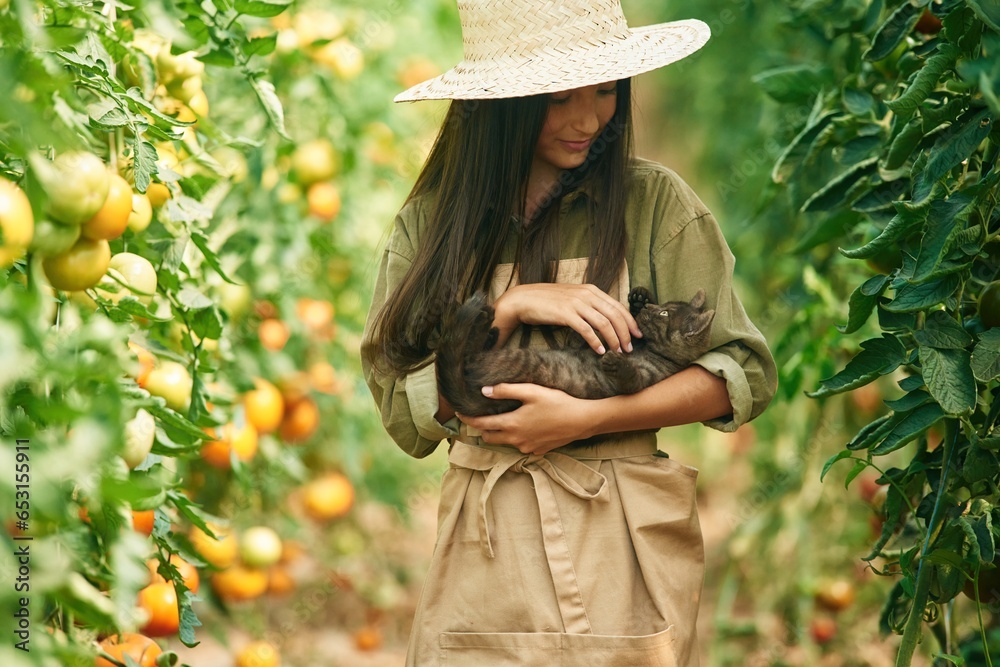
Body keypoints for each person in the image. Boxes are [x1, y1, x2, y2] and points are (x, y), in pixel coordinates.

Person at [361, 1, 777, 665]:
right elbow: (404, 411)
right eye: (559, 99)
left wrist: (587, 418)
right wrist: (511, 306)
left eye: (606, 91)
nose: (589, 119)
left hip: (620, 536)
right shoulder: (435, 226)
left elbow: (740, 376)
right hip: (485, 548)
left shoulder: (655, 206)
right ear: (501, 107)